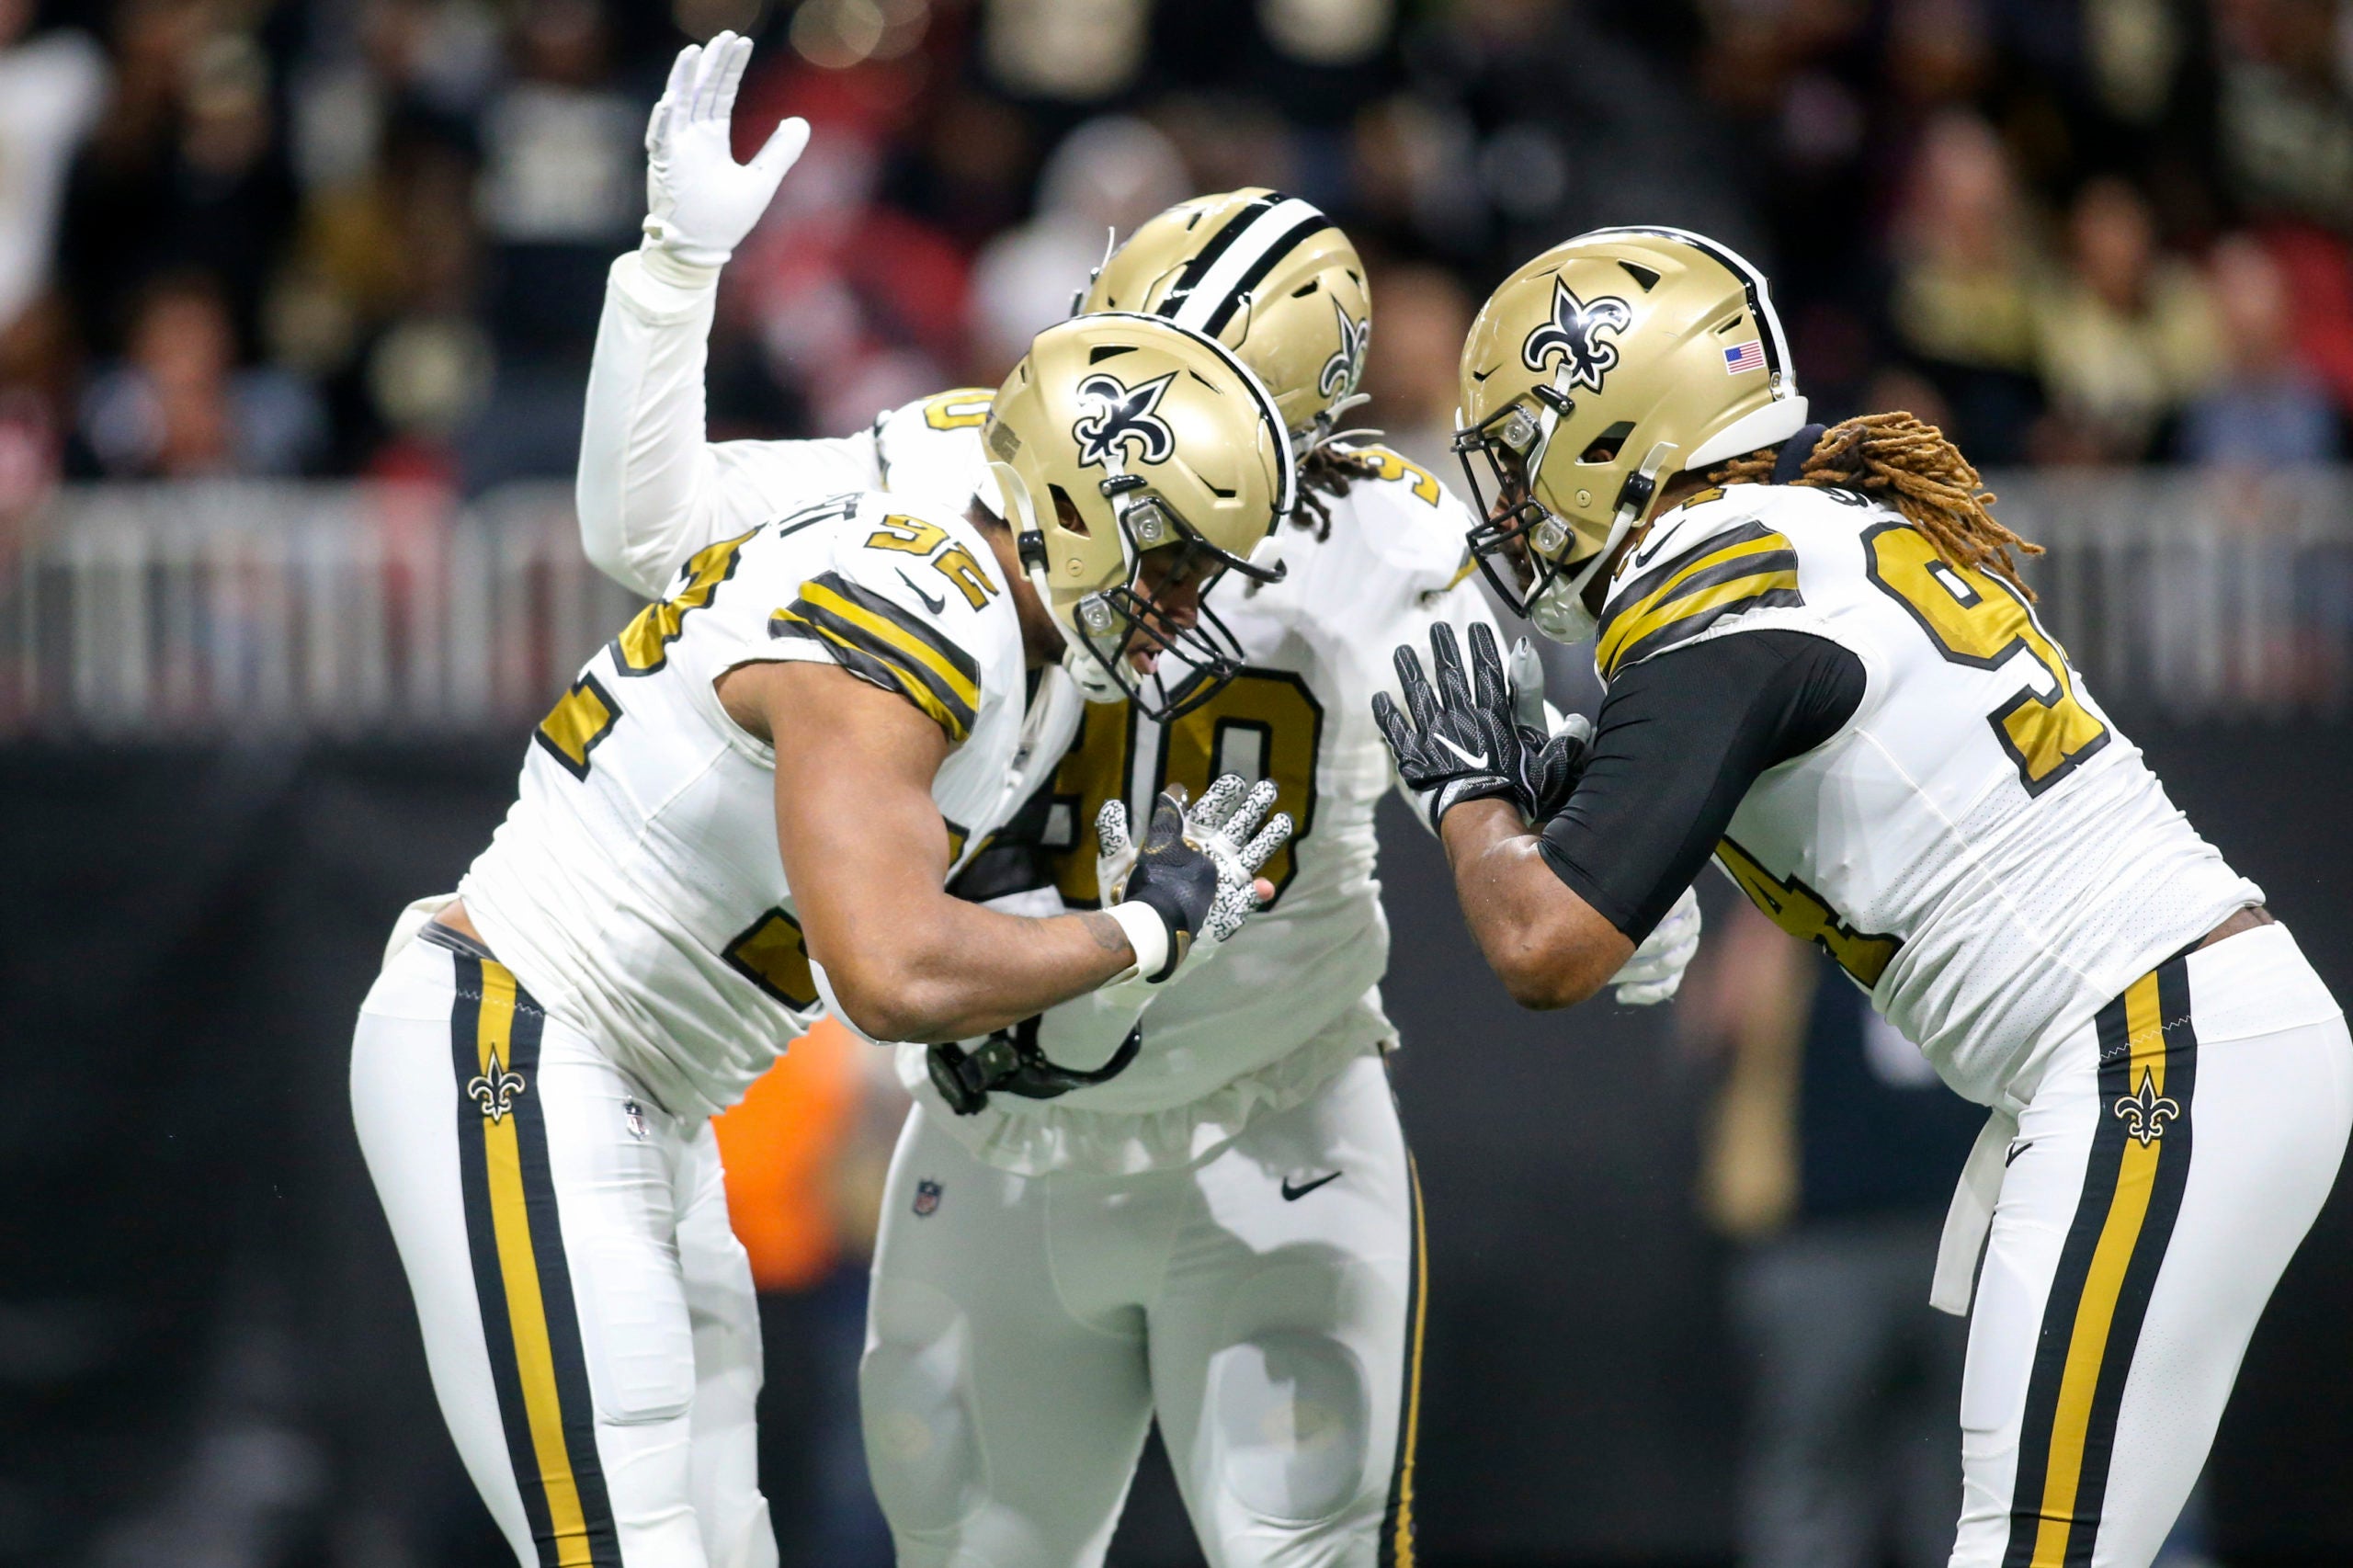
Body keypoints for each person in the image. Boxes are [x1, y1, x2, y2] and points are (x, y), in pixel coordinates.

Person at [574, 36, 1700, 1566]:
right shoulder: (970, 456)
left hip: (1267, 1127)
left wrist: (1619, 885)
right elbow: (657, 525)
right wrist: (669, 274)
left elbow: (1570, 891)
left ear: (1291, 432)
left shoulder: (1384, 547)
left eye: (1180, 394)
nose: (1122, 420)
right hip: (993, 1133)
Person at [1375, 225, 2351, 1568]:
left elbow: (1548, 948)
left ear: (1616, 429)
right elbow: (1657, 898)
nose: (1512, 500)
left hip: (2155, 1052)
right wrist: (1569, 793)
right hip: (2162, 1048)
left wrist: (1469, 802)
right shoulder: (1806, 533)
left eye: (1524, 449)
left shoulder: (1719, 597)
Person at [350, 202, 1302, 1568]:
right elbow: (894, 966)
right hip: (522, 1038)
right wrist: (1141, 924)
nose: (1188, 601)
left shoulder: (986, 565)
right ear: (1092, 501)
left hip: (651, 1095)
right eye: (1179, 556)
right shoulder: (924, 607)